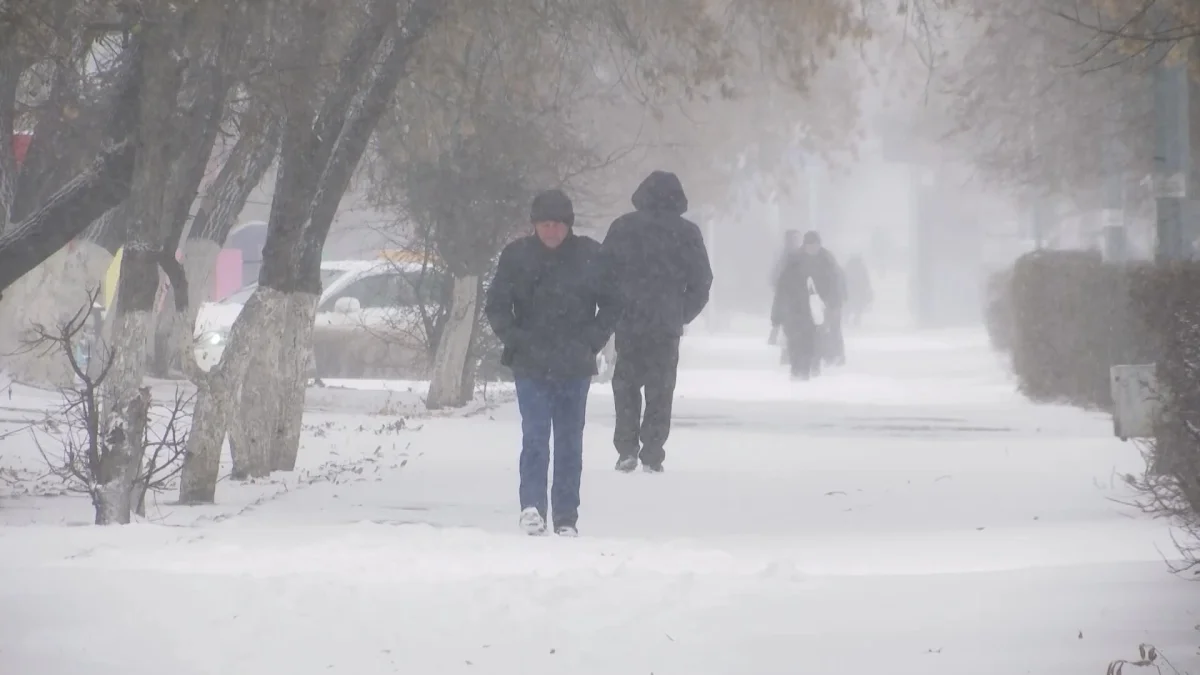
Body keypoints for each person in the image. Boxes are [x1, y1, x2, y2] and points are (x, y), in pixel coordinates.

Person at [484, 189, 620, 537]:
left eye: (558, 225)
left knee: (570, 441)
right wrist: (516, 339)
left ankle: (565, 515)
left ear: (568, 226)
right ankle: (531, 506)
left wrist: (591, 340)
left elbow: (612, 303)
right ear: (534, 226)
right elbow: (497, 305)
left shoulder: (591, 256)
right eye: (545, 224)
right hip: (530, 364)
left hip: (574, 365)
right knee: (535, 435)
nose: (552, 231)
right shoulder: (516, 257)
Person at [602, 170, 713, 474]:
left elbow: (603, 272)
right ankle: (652, 450)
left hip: (630, 320)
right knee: (660, 389)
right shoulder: (687, 233)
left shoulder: (623, 227)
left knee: (625, 385)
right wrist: (680, 312)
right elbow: (702, 281)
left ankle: (626, 447)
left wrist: (614, 307)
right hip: (665, 324)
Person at [770, 230, 842, 379]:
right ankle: (797, 370)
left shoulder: (826, 261)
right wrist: (777, 316)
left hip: (817, 310)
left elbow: (834, 284)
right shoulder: (795, 262)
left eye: (815, 245)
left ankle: (809, 367)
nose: (813, 249)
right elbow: (783, 287)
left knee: (814, 340)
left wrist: (833, 305)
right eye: (810, 245)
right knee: (796, 341)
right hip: (796, 309)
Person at [842, 254, 873, 327]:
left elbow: (843, 278)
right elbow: (866, 279)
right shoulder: (861, 267)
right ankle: (856, 318)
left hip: (851, 290)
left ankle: (848, 318)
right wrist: (867, 288)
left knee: (848, 305)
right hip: (859, 290)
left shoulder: (848, 266)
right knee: (858, 305)